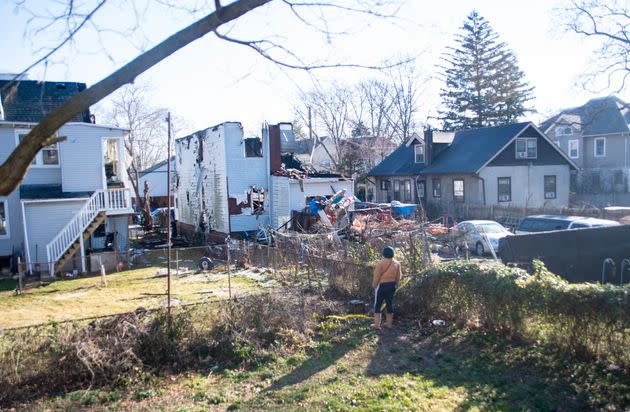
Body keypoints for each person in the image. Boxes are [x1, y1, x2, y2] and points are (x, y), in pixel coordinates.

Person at [372, 246, 402, 330]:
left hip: (381, 286)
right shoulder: (397, 263)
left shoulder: (380, 263)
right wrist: (395, 284)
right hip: (392, 285)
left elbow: (376, 277)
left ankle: (377, 325)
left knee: (378, 305)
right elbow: (398, 276)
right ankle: (389, 324)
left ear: (384, 254)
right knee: (389, 304)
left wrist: (374, 285)